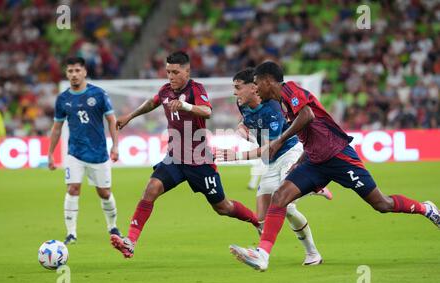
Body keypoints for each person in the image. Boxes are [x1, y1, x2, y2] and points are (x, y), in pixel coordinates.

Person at [229, 61, 440, 271]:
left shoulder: (290, 90)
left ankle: (426, 208)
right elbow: (310, 134)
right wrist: (301, 161)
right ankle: (262, 255)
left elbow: (308, 115)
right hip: (314, 161)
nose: (255, 88)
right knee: (280, 196)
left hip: (339, 156)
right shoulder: (280, 104)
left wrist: (279, 140)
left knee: (382, 204)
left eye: (257, 83)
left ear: (268, 81)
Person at [110, 51, 261, 259]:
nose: (170, 76)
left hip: (199, 161)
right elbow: (152, 102)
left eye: (175, 72)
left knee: (223, 207)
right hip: (174, 158)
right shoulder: (165, 90)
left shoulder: (195, 89)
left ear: (187, 72)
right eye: (168, 72)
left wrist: (185, 105)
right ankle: (131, 242)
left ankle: (256, 221)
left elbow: (207, 111)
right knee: (151, 189)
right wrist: (131, 115)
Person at [218, 68, 334, 265]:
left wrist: (236, 156)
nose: (234, 92)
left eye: (238, 87)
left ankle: (313, 186)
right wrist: (242, 128)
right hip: (272, 164)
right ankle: (313, 255)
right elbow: (246, 120)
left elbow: (269, 148)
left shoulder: (272, 108)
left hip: (290, 154)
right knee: (264, 219)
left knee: (284, 201)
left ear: (253, 88)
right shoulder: (242, 104)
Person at [48, 57, 121, 245]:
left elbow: (112, 121)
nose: (73, 74)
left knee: (104, 193)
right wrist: (50, 153)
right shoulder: (63, 99)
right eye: (70, 71)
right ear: (66, 74)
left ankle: (112, 226)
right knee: (73, 189)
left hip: (98, 153)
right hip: (75, 153)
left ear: (84, 72)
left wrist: (115, 145)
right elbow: (57, 127)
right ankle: (71, 233)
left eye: (77, 71)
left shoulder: (99, 94)